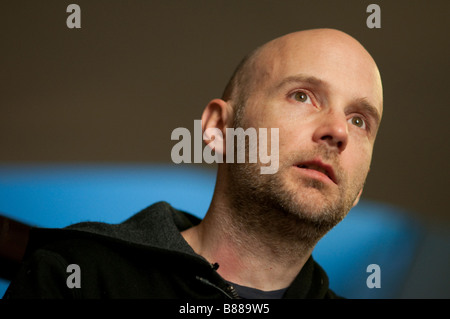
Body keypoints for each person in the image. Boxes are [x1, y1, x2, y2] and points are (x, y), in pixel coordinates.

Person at [4, 28, 383, 299]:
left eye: (359, 120)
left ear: (358, 189)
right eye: (302, 96)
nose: (338, 130)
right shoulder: (75, 277)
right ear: (219, 129)